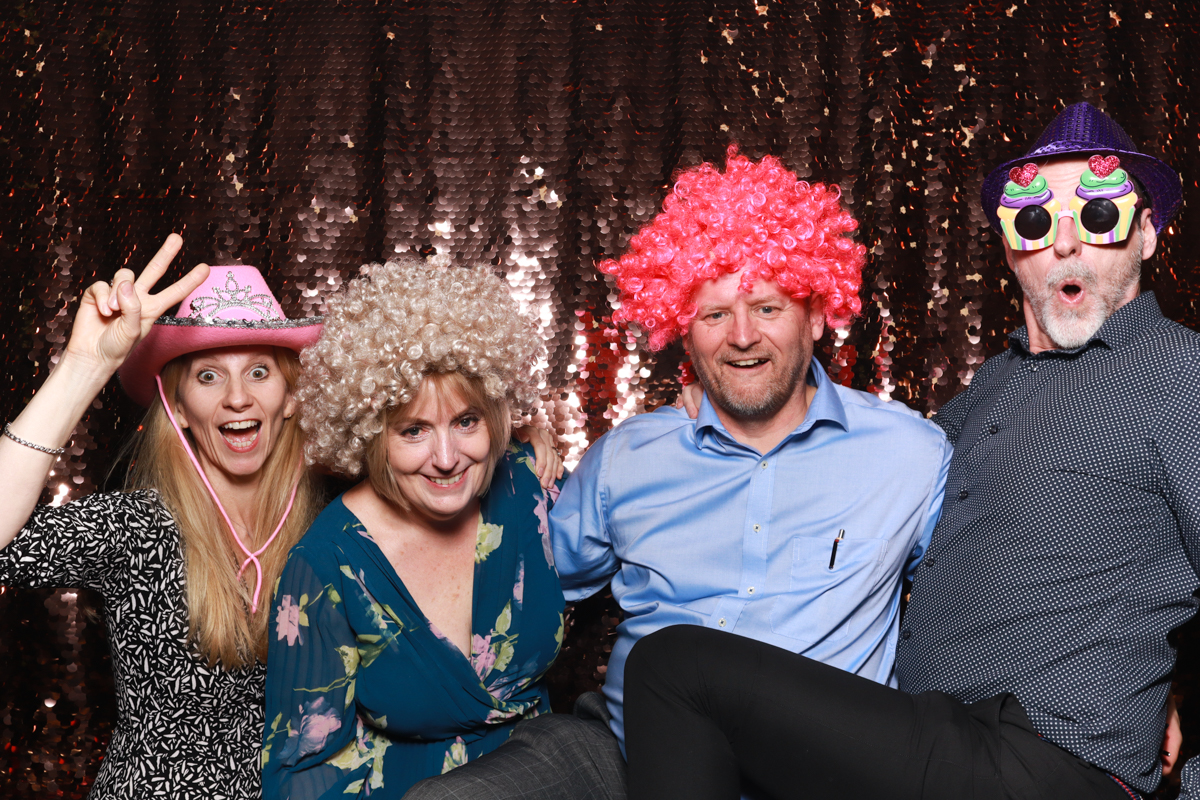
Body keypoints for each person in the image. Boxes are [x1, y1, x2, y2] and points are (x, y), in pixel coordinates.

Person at [622, 102, 1200, 800]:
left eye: (1100, 217)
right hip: (933, 742)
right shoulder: (980, 399)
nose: (1067, 245)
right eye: (1037, 221)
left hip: (1044, 759)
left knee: (674, 668)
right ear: (1011, 244)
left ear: (1146, 233)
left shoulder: (1179, 376)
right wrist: (714, 396)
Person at [403, 146, 953, 800]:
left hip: (813, 778)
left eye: (768, 308)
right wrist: (510, 442)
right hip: (629, 759)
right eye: (714, 314)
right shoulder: (631, 459)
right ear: (682, 332)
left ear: (814, 314)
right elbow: (518, 583)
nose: (741, 336)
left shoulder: (908, 454)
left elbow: (975, 614)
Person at [0, 236, 325, 799]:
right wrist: (83, 366)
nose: (237, 398)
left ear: (292, 395)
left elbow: (446, 463)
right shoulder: (139, 528)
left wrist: (517, 446)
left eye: (259, 372)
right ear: (175, 405)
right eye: (207, 375)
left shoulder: (336, 519)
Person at [260, 256, 566, 798]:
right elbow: (302, 768)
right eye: (414, 430)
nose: (447, 458)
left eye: (466, 422)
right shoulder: (326, 564)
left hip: (545, 779)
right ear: (371, 434)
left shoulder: (522, 487)